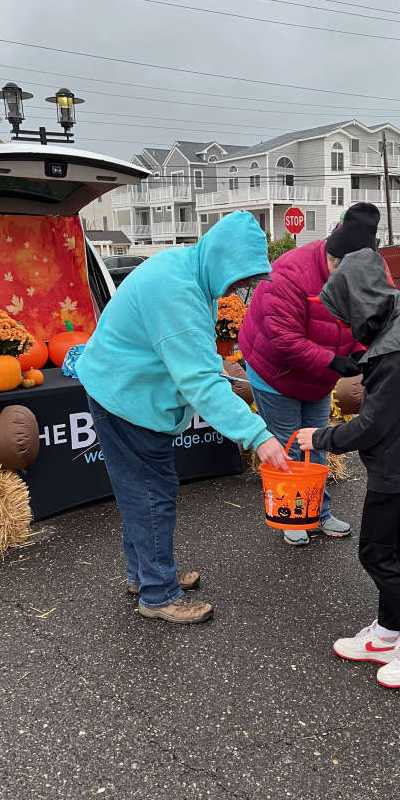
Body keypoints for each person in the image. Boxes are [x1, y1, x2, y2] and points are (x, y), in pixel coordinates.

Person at [76, 211, 290, 625]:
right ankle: (158, 595)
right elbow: (200, 382)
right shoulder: (176, 290)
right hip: (126, 398)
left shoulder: (189, 269)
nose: (241, 288)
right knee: (153, 495)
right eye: (241, 278)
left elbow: (197, 361)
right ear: (223, 260)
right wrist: (259, 437)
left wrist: (222, 377)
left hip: (120, 388)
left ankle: (145, 575)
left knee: (140, 493)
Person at [297, 248, 400, 689]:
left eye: (347, 312)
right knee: (394, 547)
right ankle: (389, 630)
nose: (347, 324)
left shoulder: (394, 352)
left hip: (398, 466)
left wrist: (320, 438)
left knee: (375, 552)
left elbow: (370, 425)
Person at [239, 202, 379, 546]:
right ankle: (291, 513)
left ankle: (319, 512)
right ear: (333, 258)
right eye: (340, 270)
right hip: (276, 372)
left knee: (315, 444)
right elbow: (284, 340)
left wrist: (364, 355)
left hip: (317, 377)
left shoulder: (365, 274)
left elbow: (371, 322)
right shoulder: (288, 273)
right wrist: (334, 362)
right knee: (288, 445)